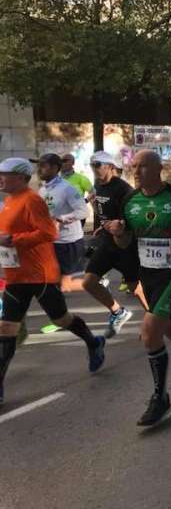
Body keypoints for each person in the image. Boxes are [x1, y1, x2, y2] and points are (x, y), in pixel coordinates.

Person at [108, 150, 171, 426]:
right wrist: (118, 233)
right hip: (148, 275)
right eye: (133, 166)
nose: (136, 171)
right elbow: (124, 242)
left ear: (158, 169)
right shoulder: (130, 200)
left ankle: (161, 397)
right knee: (170, 327)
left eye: (142, 166)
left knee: (150, 333)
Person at [0, 158, 105, 404]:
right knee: (6, 328)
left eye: (4, 174)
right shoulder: (9, 201)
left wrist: (14, 240)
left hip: (41, 275)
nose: (0, 179)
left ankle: (93, 342)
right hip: (16, 275)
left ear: (20, 178)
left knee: (61, 319)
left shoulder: (32, 200)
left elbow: (48, 232)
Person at [83, 151, 137, 339]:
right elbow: (103, 211)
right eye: (92, 165)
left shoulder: (124, 189)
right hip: (107, 242)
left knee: (135, 287)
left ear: (111, 166)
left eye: (97, 165)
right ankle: (118, 311)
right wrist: (102, 226)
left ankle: (156, 321)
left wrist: (122, 227)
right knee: (89, 282)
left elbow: (132, 218)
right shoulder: (98, 186)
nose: (94, 168)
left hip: (125, 245)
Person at [37, 153, 89, 294]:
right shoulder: (42, 190)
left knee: (64, 286)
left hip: (68, 242)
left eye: (43, 165)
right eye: (38, 165)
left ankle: (95, 283)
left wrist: (61, 219)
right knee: (50, 282)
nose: (39, 169)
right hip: (50, 241)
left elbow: (83, 212)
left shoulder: (67, 189)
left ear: (55, 168)